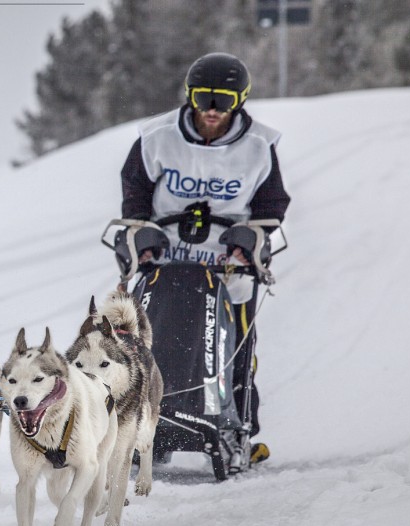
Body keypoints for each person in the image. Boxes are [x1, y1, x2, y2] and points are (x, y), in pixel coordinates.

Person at [118, 52, 291, 464]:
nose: (212, 110)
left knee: (237, 344)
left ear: (240, 100)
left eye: (224, 101)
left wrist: (250, 237)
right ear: (190, 95)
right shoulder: (156, 136)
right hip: (164, 254)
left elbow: (272, 203)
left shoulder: (259, 146)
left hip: (228, 260)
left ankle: (237, 429)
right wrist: (141, 232)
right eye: (203, 98)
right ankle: (141, 422)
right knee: (147, 339)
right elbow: (135, 193)